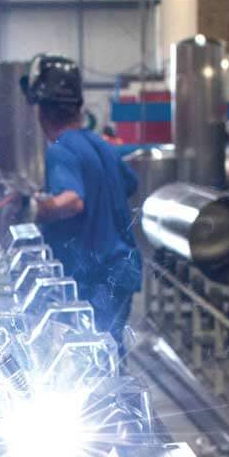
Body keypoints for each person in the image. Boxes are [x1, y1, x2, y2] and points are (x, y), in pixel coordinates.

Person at [20, 54, 142, 352]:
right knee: (112, 355)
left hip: (92, 277)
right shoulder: (102, 145)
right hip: (121, 271)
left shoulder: (60, 150)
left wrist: (37, 208)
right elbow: (130, 183)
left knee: (92, 361)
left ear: (43, 111)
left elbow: (72, 201)